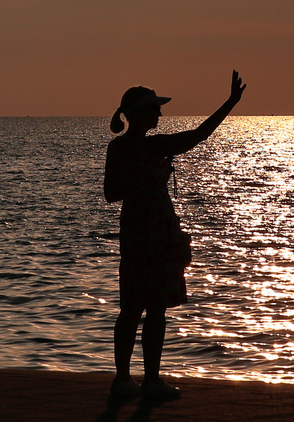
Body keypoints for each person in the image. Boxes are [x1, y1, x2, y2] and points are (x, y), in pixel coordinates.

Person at [103, 70, 246, 399]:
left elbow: (112, 192)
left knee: (134, 307)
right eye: (154, 108)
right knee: (151, 309)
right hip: (151, 235)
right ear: (140, 114)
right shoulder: (151, 148)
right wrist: (230, 103)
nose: (160, 114)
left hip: (139, 234)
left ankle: (124, 380)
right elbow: (199, 135)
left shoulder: (118, 148)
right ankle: (148, 381)